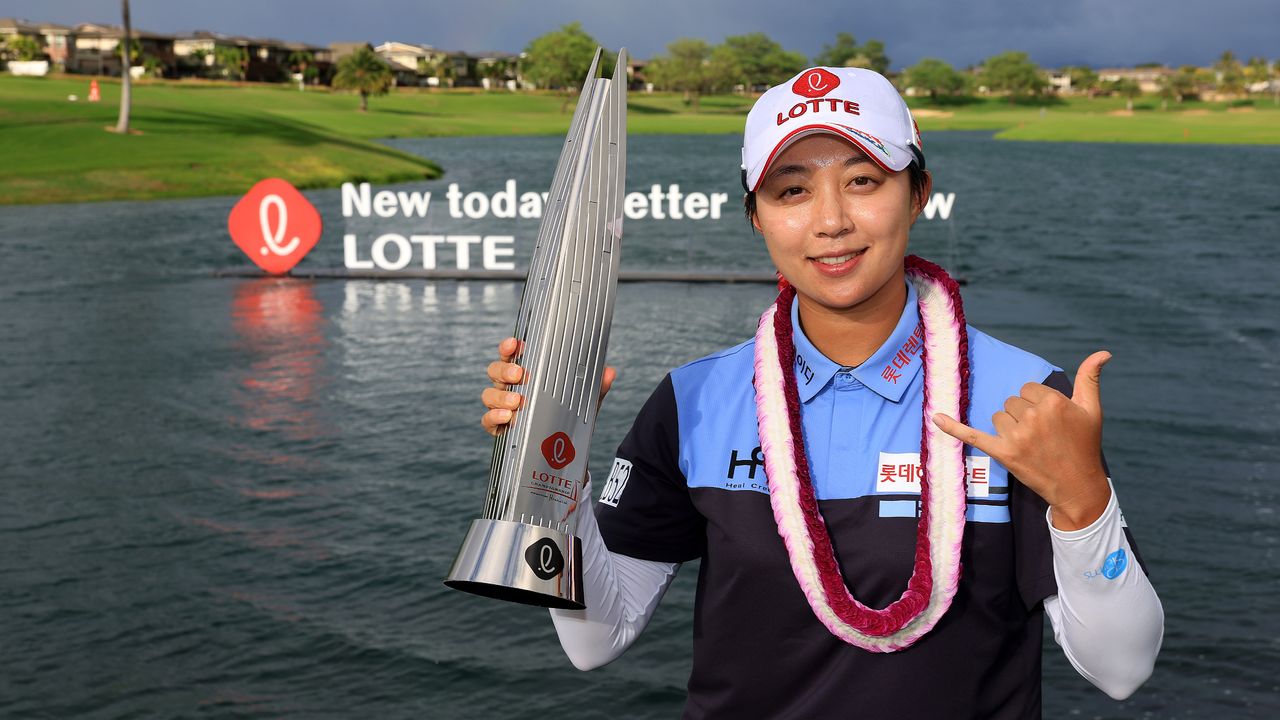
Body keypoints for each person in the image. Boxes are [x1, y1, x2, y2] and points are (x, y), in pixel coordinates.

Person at [480, 67, 1163, 719]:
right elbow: (595, 640)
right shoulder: (694, 401)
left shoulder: (1025, 402)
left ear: (919, 192)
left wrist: (1084, 504)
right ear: (756, 215)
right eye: (792, 190)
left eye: (864, 180)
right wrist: (551, 471)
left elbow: (1121, 669)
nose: (831, 220)